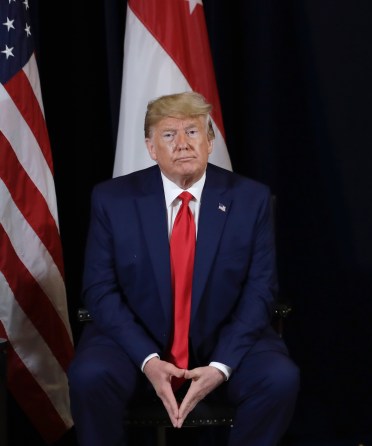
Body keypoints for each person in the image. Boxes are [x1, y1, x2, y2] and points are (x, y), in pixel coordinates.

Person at [68, 91, 299, 445]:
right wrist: (148, 359)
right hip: (134, 339)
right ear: (151, 147)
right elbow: (99, 289)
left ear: (209, 142)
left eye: (192, 132)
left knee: (279, 379)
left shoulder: (250, 199)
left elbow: (260, 290)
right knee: (89, 376)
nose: (182, 144)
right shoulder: (112, 199)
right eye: (168, 134)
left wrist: (221, 366)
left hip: (223, 336)